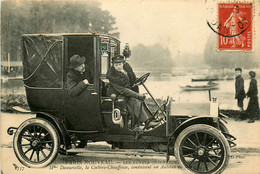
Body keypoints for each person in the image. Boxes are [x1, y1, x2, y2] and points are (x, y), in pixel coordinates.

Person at [106, 55, 159, 130]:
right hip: (118, 95)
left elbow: (129, 82)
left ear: (123, 63)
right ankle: (147, 122)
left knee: (139, 100)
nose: (118, 66)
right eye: (116, 65)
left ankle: (150, 120)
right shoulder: (113, 76)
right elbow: (124, 90)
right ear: (113, 65)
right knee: (134, 99)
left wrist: (137, 82)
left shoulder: (124, 71)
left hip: (124, 94)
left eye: (120, 64)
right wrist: (138, 95)